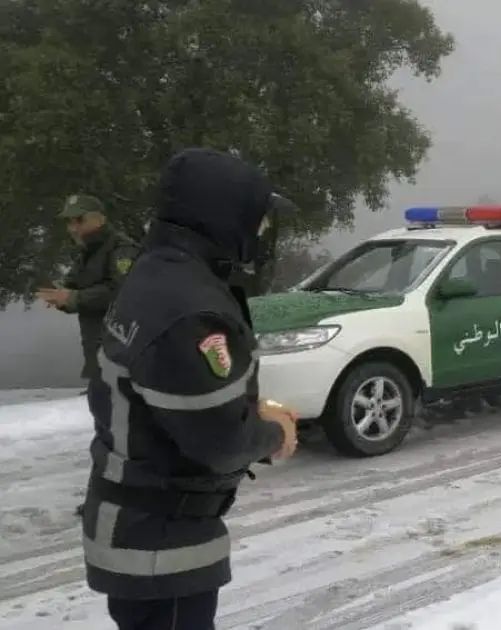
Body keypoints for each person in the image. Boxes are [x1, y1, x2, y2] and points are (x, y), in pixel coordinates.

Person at [80, 148, 300, 630]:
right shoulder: (191, 310)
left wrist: (240, 405)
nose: (262, 230)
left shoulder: (157, 272)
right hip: (160, 546)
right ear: (226, 216)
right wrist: (273, 432)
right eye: (258, 217)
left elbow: (164, 394)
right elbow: (220, 445)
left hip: (137, 531)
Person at [37, 194, 139, 518]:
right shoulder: (88, 254)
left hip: (119, 353)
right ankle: (110, 494)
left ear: (99, 218)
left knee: (117, 428)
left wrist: (76, 297)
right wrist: (62, 297)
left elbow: (123, 294)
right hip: (98, 353)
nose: (72, 227)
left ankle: (116, 496)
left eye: (78, 220)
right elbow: (77, 292)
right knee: (108, 426)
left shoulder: (121, 250)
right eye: (69, 221)